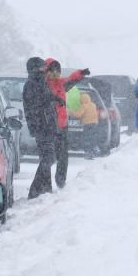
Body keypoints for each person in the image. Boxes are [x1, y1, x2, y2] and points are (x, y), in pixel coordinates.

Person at [23, 57, 65, 198]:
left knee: (46, 158)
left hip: (47, 125)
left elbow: (46, 97)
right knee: (49, 157)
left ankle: (45, 189)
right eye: (42, 68)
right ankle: (34, 191)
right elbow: (36, 104)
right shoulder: (32, 84)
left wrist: (55, 99)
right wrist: (51, 99)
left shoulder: (39, 82)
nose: (45, 70)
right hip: (42, 127)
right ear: (34, 69)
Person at [45, 59, 87, 188]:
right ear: (47, 71)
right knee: (48, 157)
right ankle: (45, 184)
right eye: (53, 70)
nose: (56, 73)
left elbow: (71, 80)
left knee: (63, 156)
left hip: (62, 125)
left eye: (58, 71)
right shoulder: (43, 85)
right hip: (49, 125)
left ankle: (60, 180)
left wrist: (81, 73)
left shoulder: (61, 83)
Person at [76, 91, 100, 160]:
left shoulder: (84, 106)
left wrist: (70, 112)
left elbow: (78, 115)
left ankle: (89, 153)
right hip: (94, 123)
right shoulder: (93, 104)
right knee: (92, 137)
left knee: (87, 138)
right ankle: (94, 148)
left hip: (87, 124)